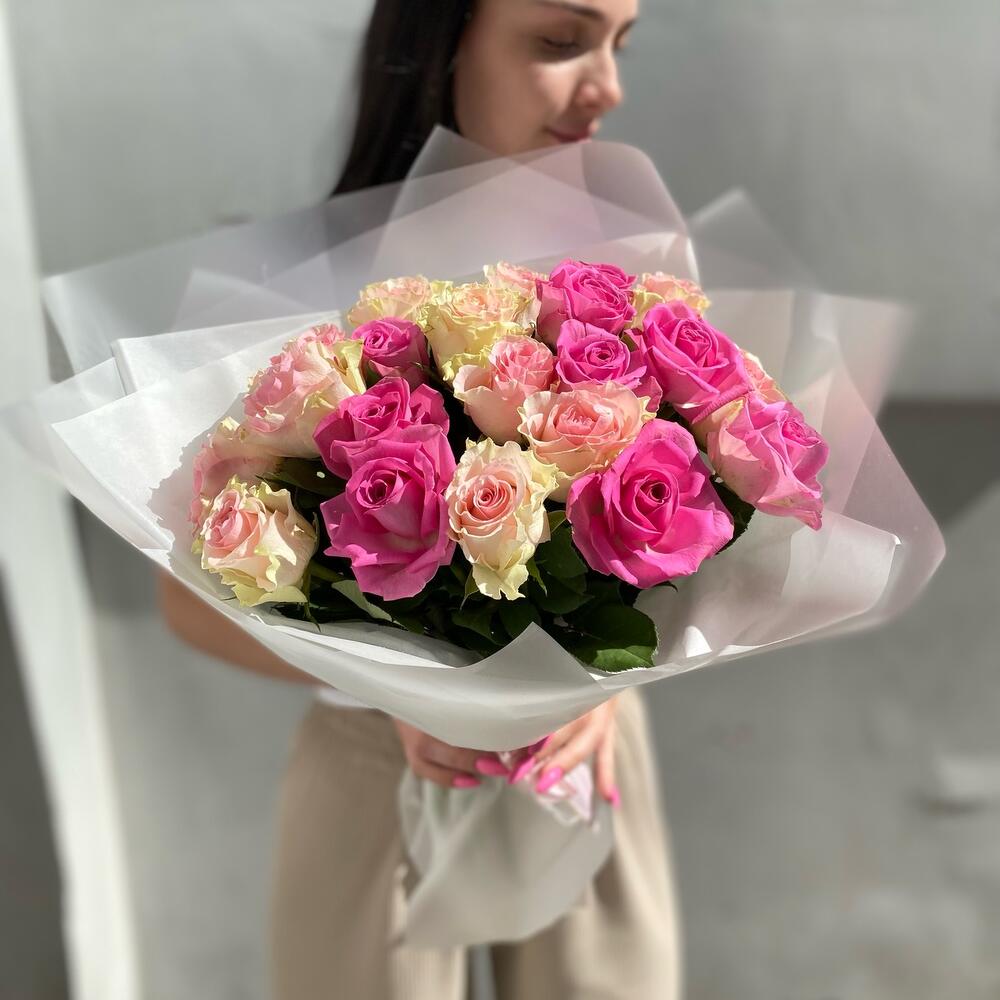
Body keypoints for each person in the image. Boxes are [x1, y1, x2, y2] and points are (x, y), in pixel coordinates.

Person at [159, 1, 682, 996]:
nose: (608, 87)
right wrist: (399, 690)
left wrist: (607, 679)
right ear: (440, 40)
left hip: (581, 755)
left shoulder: (624, 287)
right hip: (375, 760)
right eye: (560, 40)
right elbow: (185, 602)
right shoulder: (285, 286)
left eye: (620, 43)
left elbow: (678, 536)